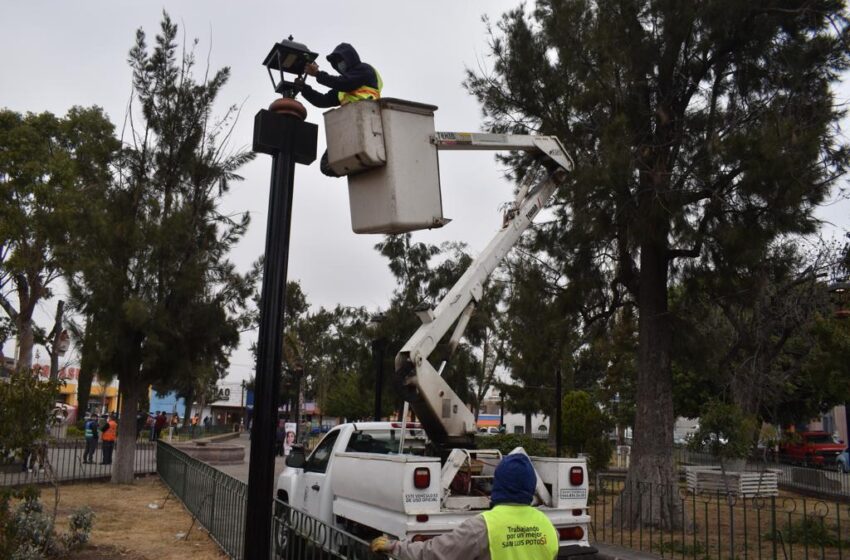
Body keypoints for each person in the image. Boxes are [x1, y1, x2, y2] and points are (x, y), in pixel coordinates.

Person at [370, 454, 558, 560]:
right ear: (531, 485)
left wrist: (394, 547)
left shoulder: (482, 527)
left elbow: (433, 553)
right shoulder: (549, 528)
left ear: (499, 483)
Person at [298, 43, 383, 177]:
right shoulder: (342, 89)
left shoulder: (364, 70)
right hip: (349, 125)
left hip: (368, 121)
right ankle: (358, 169)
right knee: (327, 165)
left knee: (333, 162)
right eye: (336, 63)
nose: (339, 65)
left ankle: (362, 166)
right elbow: (322, 100)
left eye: (340, 60)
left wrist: (318, 74)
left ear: (350, 58)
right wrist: (303, 88)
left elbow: (344, 83)